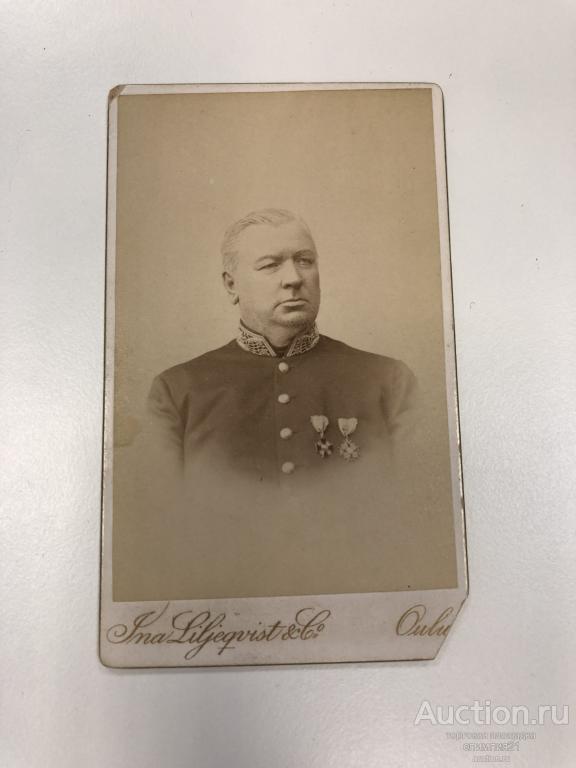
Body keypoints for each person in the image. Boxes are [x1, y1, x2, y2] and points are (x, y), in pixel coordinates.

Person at [146, 208, 417, 487]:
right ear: (231, 285)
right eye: (270, 265)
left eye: (304, 261)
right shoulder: (177, 392)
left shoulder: (389, 382)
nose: (294, 278)